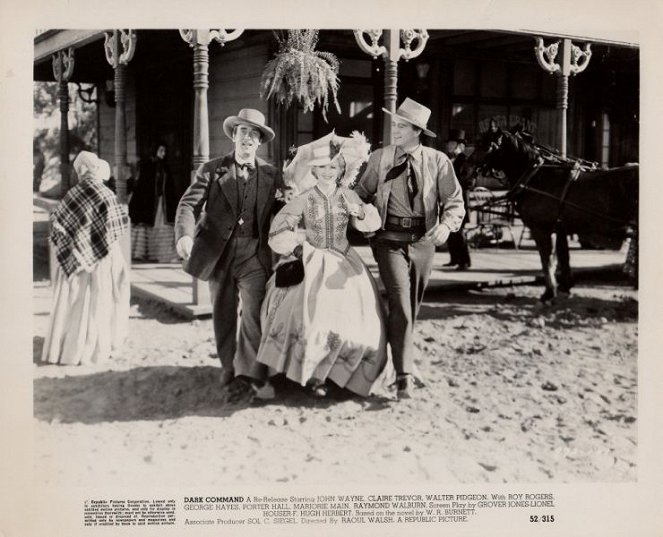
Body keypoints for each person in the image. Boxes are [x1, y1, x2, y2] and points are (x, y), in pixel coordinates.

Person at [256, 133, 390, 397]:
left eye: (333, 167)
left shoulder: (348, 196)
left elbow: (370, 224)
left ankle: (338, 375)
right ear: (314, 171)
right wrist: (297, 248)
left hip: (344, 263)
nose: (328, 172)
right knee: (306, 315)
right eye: (322, 168)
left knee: (351, 319)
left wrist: (361, 213)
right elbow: (279, 229)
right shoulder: (304, 198)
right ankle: (311, 375)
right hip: (312, 259)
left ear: (340, 169)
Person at [355, 98, 465, 399]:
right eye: (395, 125)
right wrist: (362, 214)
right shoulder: (380, 158)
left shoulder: (438, 161)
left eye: (402, 126)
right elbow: (361, 193)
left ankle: (398, 363)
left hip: (423, 242)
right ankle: (404, 376)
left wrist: (446, 226)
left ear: (417, 130)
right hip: (388, 241)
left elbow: (455, 202)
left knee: (410, 309)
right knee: (401, 303)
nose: (396, 130)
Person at [174, 109, 280, 400]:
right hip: (218, 254)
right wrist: (184, 234)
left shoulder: (271, 174)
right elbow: (187, 206)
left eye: (253, 133)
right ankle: (228, 367)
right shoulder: (211, 170)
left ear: (260, 141)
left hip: (254, 254)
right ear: (234, 136)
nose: (247, 137)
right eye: (242, 131)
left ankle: (252, 373)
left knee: (254, 313)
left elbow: (284, 210)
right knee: (223, 314)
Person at [42, 151, 130, 365]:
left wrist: (73, 246)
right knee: (99, 301)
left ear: (81, 171)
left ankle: (67, 350)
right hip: (102, 259)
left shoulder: (72, 194)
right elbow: (117, 226)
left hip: (75, 259)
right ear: (96, 169)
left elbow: (59, 227)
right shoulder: (106, 194)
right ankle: (97, 348)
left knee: (73, 302)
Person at [129, 142, 179, 263]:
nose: (163, 153)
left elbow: (169, 186)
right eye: (161, 150)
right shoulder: (148, 166)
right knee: (148, 224)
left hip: (163, 203)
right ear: (155, 150)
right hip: (150, 203)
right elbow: (143, 185)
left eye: (164, 151)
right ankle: (146, 254)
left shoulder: (165, 166)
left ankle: (163, 254)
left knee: (163, 224)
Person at [444, 129, 473, 270]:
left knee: (459, 232)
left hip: (461, 202)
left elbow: (469, 181)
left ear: (459, 146)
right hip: (448, 202)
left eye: (451, 144)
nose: (448, 147)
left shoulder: (465, 161)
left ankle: (465, 261)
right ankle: (454, 259)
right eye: (448, 144)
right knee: (450, 231)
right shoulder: (448, 160)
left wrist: (452, 183)